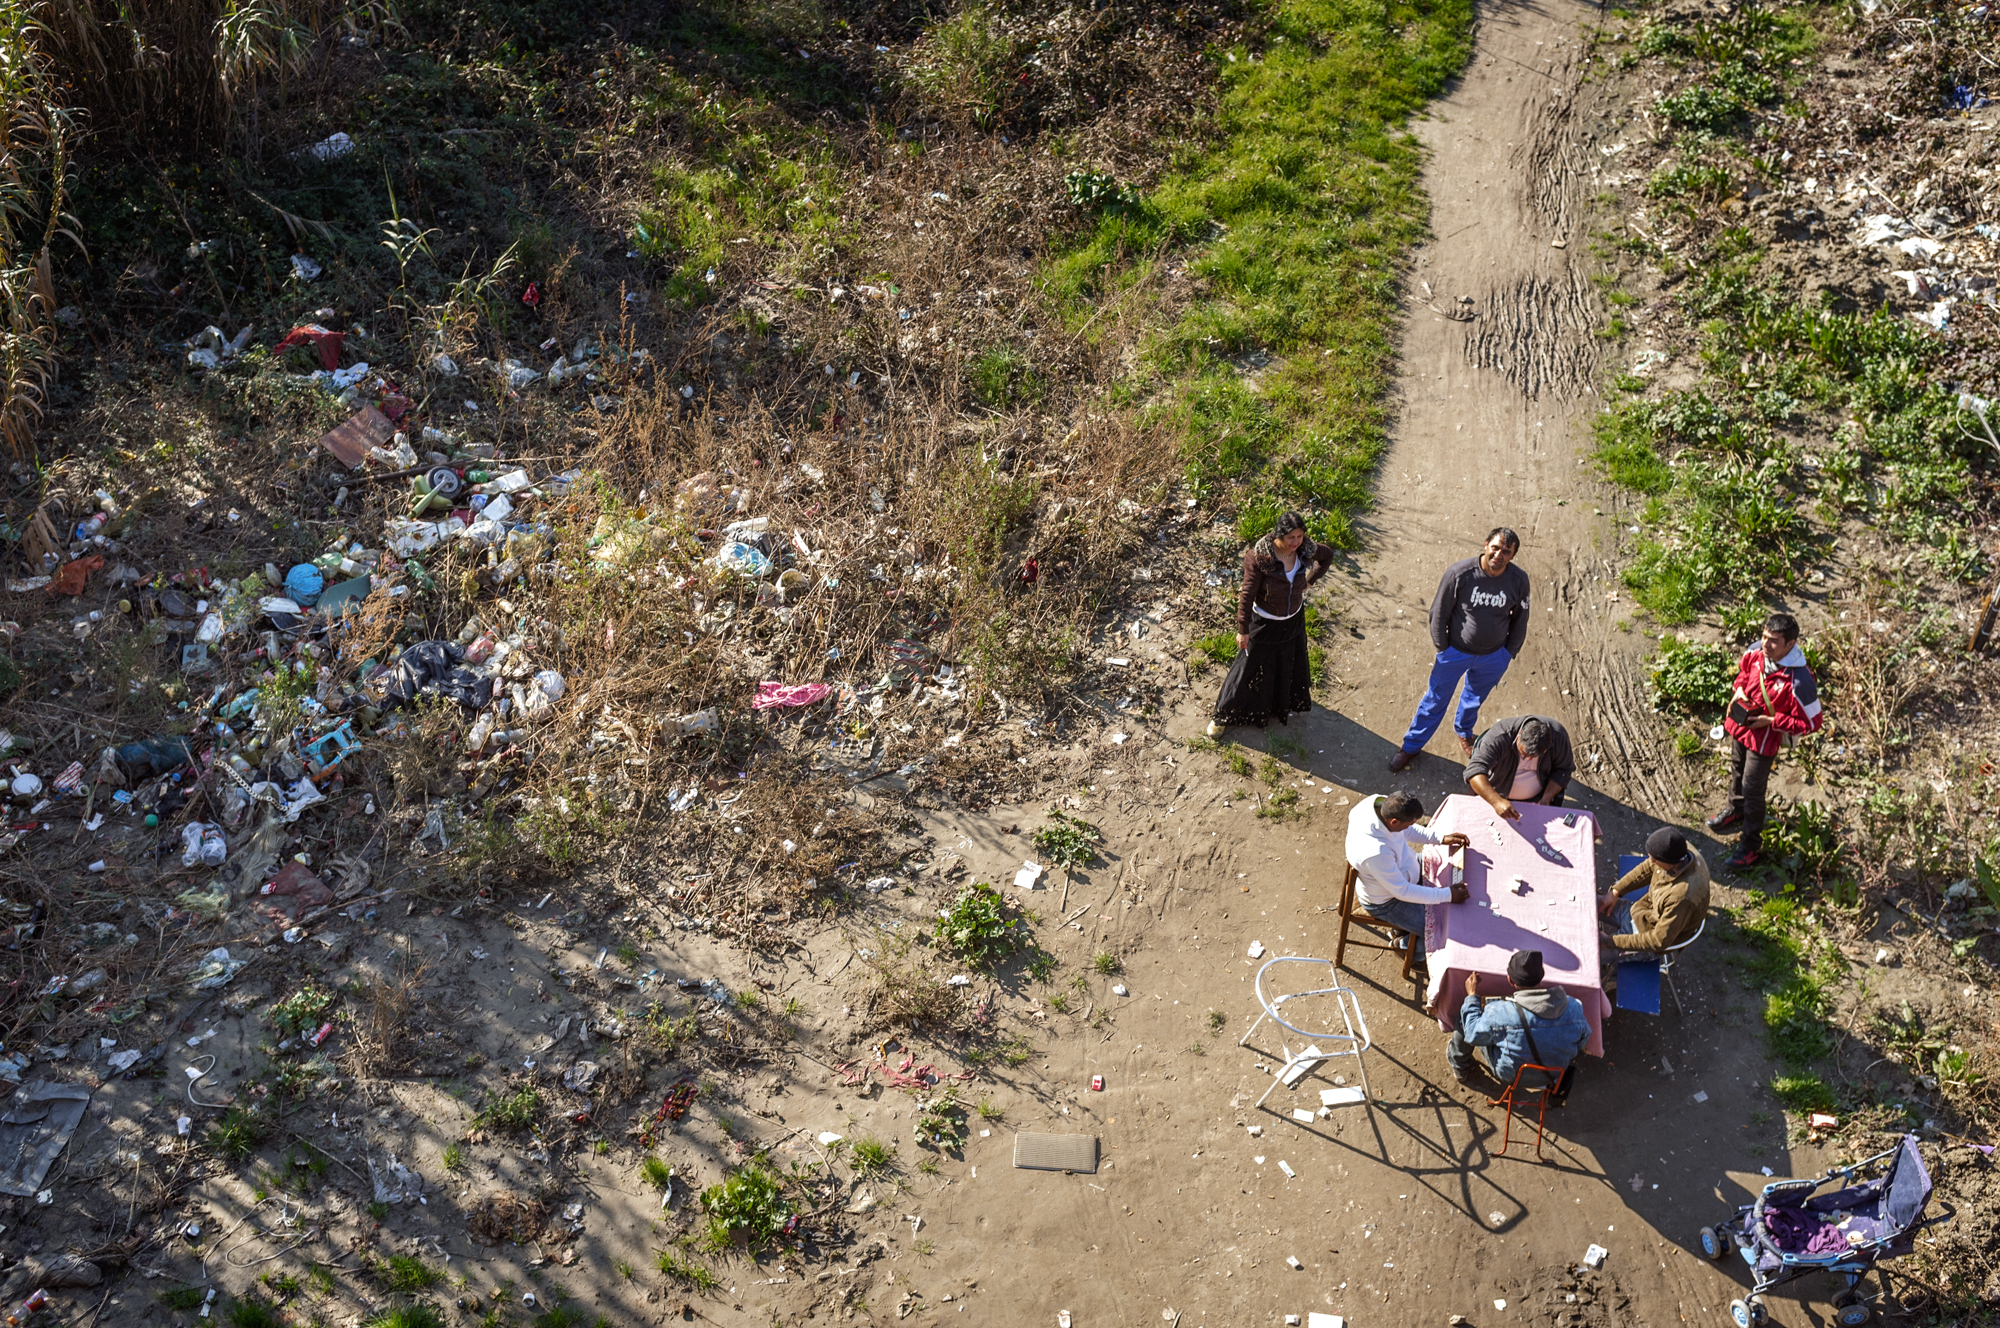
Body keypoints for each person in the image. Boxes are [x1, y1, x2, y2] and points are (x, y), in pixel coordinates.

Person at [1389, 528, 1531, 772]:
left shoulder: (1518, 580)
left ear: (1513, 555)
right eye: (1495, 547)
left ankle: (1464, 732)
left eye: (1506, 551)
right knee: (1434, 701)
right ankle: (1411, 747)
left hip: (1494, 657)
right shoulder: (1461, 573)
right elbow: (1438, 613)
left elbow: (1521, 618)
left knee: (1473, 698)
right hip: (1455, 653)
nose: (1499, 554)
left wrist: (1508, 653)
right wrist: (1443, 648)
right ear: (1486, 544)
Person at [1705, 613, 1823, 869]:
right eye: (1764, 637)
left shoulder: (1800, 682)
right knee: (1736, 770)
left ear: (1790, 644)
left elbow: (1812, 723)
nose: (1765, 645)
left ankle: (1750, 846)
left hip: (1764, 741)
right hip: (1741, 727)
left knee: (1752, 790)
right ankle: (1735, 810)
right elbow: (1743, 675)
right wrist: (1738, 691)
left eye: (1773, 641)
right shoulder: (1755, 653)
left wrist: (1772, 721)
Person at [1210, 510, 1335, 735]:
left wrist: (1309, 582)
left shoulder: (1306, 548)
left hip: (1293, 620)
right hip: (1265, 622)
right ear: (1279, 535)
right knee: (1245, 669)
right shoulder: (1260, 557)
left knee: (1286, 664)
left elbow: (1326, 556)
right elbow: (1247, 594)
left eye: (1300, 536)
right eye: (1291, 538)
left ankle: (1276, 705)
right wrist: (1243, 628)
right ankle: (1222, 717)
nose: (1296, 542)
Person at [1346, 791, 1471, 954]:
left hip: (1404, 870)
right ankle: (1405, 948)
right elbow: (1403, 891)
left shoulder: (1379, 804)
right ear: (1394, 821)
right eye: (1407, 824)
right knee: (1438, 931)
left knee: (1447, 874)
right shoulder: (1375, 852)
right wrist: (1447, 895)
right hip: (1388, 901)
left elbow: (1407, 830)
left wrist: (1440, 838)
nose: (1408, 827)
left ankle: (1400, 928)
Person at [1446, 949, 1590, 1089]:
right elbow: (1583, 1041)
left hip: (1512, 1075)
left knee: (1467, 1016)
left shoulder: (1500, 1013)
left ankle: (1460, 1068)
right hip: (1553, 1074)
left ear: (1510, 980)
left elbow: (1472, 1034)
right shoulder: (1574, 1007)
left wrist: (1472, 996)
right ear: (1542, 976)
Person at [1599, 827, 1710, 954]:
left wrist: (1609, 941)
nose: (1651, 860)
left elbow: (1658, 941)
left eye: (1655, 859)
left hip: (1646, 938)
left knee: (1589, 954)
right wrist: (1616, 891)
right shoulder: (1679, 850)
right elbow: (1647, 868)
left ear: (1670, 863)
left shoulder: (1682, 898)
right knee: (1587, 905)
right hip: (1640, 911)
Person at [1464, 716, 1573, 819]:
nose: (1528, 759)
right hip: (1499, 795)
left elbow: (1564, 770)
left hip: (1537, 800)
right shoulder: (1499, 736)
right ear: (1519, 735)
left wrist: (1546, 798)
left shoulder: (1558, 737)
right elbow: (1474, 771)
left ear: (1546, 749)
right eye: (1524, 754)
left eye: (1534, 756)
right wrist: (1496, 801)